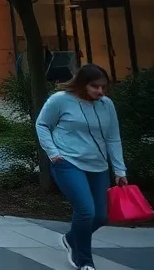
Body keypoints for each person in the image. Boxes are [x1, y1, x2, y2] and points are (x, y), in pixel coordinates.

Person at [37, 63, 129, 270]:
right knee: (86, 211)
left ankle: (71, 239)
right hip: (68, 162)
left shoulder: (106, 104)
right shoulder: (60, 100)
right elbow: (42, 124)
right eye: (95, 86)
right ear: (82, 84)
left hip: (98, 165)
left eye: (103, 86)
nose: (100, 91)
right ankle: (84, 261)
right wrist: (53, 153)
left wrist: (119, 170)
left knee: (101, 216)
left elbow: (113, 138)